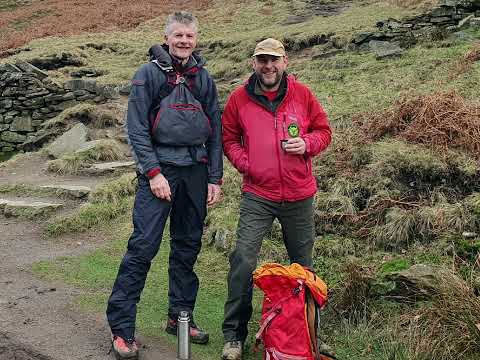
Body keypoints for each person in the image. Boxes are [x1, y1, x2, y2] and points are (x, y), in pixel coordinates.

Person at [106, 11, 223, 360]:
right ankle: (122, 329)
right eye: (178, 35)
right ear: (167, 37)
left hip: (196, 172)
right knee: (143, 247)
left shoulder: (204, 79)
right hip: (159, 173)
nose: (184, 41)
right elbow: (137, 129)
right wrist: (153, 173)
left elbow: (216, 132)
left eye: (190, 36)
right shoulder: (148, 75)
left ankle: (180, 316)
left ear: (196, 39)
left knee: (187, 247)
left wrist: (215, 177)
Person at [220, 38, 332, 360]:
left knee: (304, 268)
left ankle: (310, 335)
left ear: (285, 61)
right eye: (262, 60)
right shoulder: (239, 99)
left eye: (274, 60)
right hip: (258, 194)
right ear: (253, 64)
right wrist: (246, 164)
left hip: (299, 194)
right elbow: (228, 138)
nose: (268, 66)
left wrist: (307, 144)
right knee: (243, 260)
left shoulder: (303, 94)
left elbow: (324, 131)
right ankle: (234, 337)